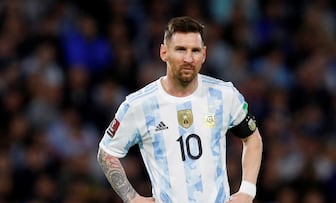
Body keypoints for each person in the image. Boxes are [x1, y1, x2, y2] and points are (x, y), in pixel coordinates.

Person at [97, 16, 263, 203]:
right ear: (164, 52)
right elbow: (107, 152)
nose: (188, 58)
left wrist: (247, 191)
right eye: (181, 50)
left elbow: (252, 138)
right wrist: (132, 198)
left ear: (204, 54)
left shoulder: (224, 95)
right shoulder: (138, 105)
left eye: (195, 50)